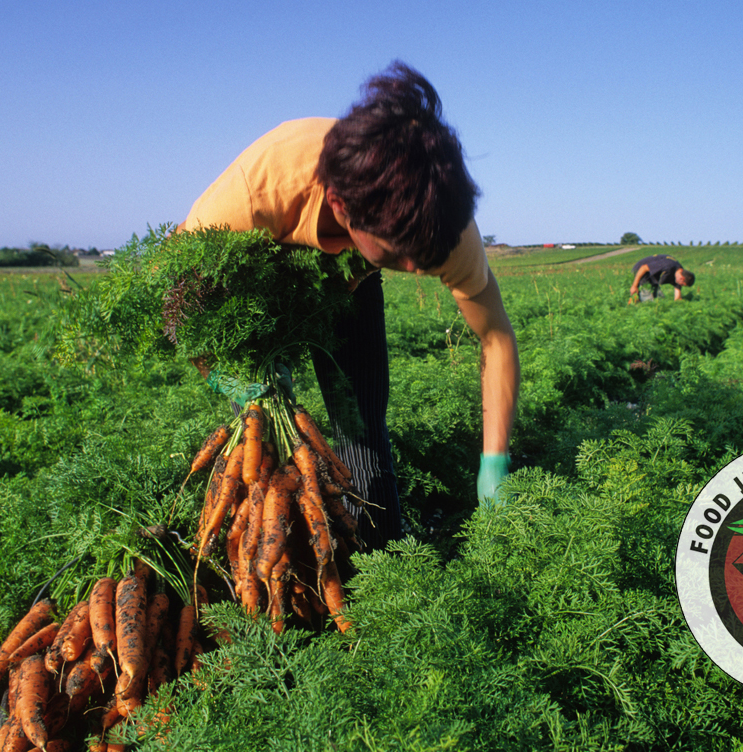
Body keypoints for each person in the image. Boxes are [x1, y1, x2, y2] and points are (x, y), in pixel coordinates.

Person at [175, 62, 520, 549]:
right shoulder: (253, 197)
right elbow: (180, 307)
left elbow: (496, 338)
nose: (420, 269)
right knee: (262, 445)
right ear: (340, 206)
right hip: (252, 294)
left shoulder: (443, 225)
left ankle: (383, 563)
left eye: (430, 257)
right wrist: (232, 375)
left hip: (352, 287)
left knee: (361, 425)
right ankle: (281, 563)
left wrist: (494, 460)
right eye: (402, 253)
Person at [628, 254, 695, 303]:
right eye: (682, 284)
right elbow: (644, 268)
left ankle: (636, 301)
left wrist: (678, 302)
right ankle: (633, 303)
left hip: (653, 277)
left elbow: (677, 295)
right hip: (640, 272)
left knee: (660, 300)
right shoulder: (667, 266)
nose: (681, 286)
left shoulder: (679, 272)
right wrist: (634, 286)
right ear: (682, 278)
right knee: (648, 301)